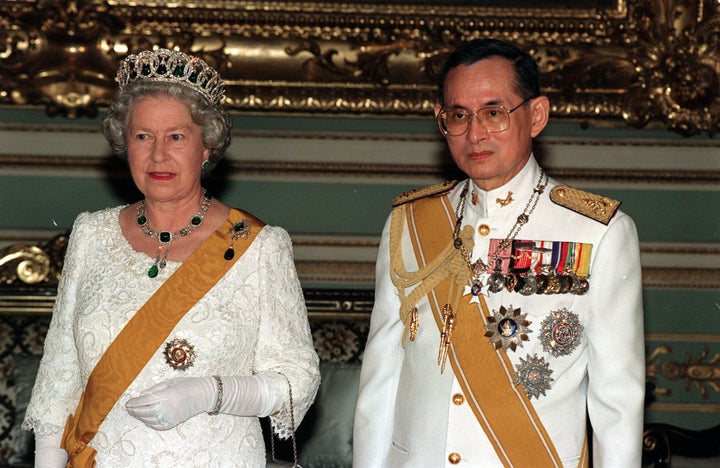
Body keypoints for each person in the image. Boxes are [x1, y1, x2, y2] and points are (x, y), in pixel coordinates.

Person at [353, 38, 645, 467]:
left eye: (494, 113)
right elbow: (380, 382)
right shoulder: (410, 224)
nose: (475, 134)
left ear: (537, 115)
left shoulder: (598, 232)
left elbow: (617, 402)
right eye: (458, 115)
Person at [22, 48, 320, 467]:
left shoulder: (258, 246)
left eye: (176, 136)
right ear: (124, 144)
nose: (158, 154)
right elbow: (59, 377)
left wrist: (212, 393)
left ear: (207, 145)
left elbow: (297, 382)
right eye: (142, 136)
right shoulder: (91, 234)